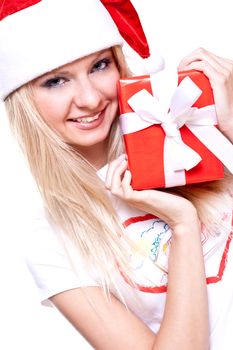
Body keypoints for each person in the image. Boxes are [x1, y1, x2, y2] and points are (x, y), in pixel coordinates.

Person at [0, 0, 232, 349]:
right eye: (56, 81)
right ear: (22, 98)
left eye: (100, 65)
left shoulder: (186, 125)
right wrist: (183, 225)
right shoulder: (50, 240)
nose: (91, 98)